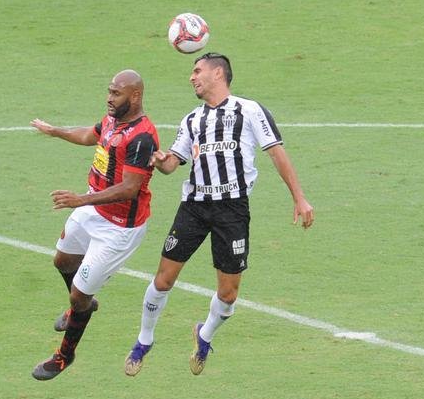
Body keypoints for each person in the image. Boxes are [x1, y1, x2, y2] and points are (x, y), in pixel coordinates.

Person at [123, 52, 314, 377]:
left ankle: (205, 335)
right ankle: (144, 341)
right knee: (164, 278)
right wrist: (161, 160)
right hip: (194, 208)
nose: (192, 77)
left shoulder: (249, 110)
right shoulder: (191, 120)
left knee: (228, 294)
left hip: (232, 210)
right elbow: (174, 163)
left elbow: (277, 153)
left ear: (217, 73)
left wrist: (299, 198)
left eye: (197, 71)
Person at [29, 69, 160, 380]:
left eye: (116, 93)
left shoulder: (142, 137)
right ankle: (84, 304)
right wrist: (55, 131)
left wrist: (79, 200)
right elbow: (91, 135)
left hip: (118, 228)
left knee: (78, 295)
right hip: (93, 207)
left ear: (135, 96)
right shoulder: (113, 119)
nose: (109, 98)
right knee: (62, 261)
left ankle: (64, 355)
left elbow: (130, 189)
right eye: (109, 91)